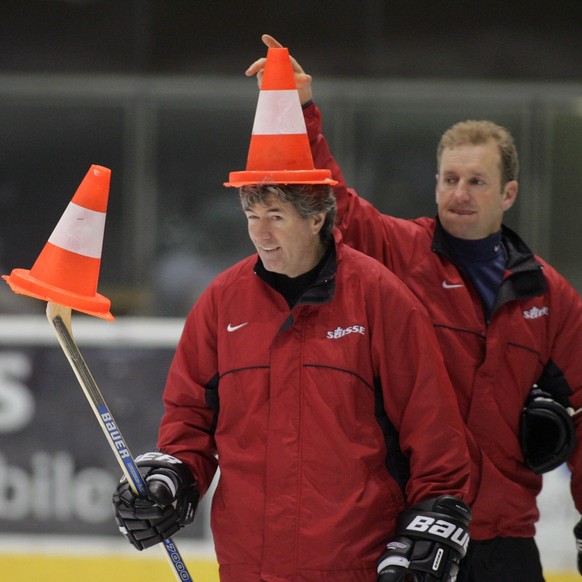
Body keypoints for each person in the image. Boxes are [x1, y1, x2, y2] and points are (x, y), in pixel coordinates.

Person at [112, 46, 473, 582]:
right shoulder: (221, 303)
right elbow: (190, 424)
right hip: (248, 569)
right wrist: (172, 479)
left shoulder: (380, 298)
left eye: (276, 215)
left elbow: (435, 441)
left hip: (354, 568)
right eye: (252, 214)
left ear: (317, 218)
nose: (259, 231)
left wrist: (433, 523)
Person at [245, 34, 582, 582]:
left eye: (477, 181)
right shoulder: (403, 253)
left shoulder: (549, 295)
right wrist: (301, 109)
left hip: (507, 537)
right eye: (450, 180)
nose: (460, 193)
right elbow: (339, 205)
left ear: (509, 193)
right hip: (418, 533)